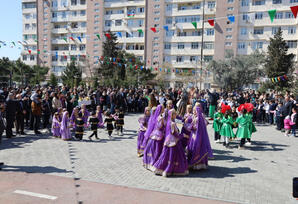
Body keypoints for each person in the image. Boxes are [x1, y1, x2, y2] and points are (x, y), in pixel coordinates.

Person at [153, 109, 188, 176]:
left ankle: (162, 168)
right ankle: (170, 169)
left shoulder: (168, 122)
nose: (176, 115)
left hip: (168, 140)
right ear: (172, 115)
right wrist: (183, 135)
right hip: (174, 141)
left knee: (165, 155)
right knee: (172, 155)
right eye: (174, 114)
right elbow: (175, 134)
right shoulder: (172, 123)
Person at [187, 105, 213, 170]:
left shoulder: (197, 119)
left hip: (196, 136)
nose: (193, 112)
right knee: (196, 149)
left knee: (196, 149)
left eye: (194, 111)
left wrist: (189, 127)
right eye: (193, 110)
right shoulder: (197, 117)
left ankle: (195, 164)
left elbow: (196, 127)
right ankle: (199, 164)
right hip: (194, 135)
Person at [143, 105, 165, 170]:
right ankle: (154, 162)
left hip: (154, 134)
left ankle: (149, 161)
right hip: (159, 135)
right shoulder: (160, 118)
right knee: (156, 150)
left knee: (152, 148)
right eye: (163, 109)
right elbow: (159, 126)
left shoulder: (155, 117)